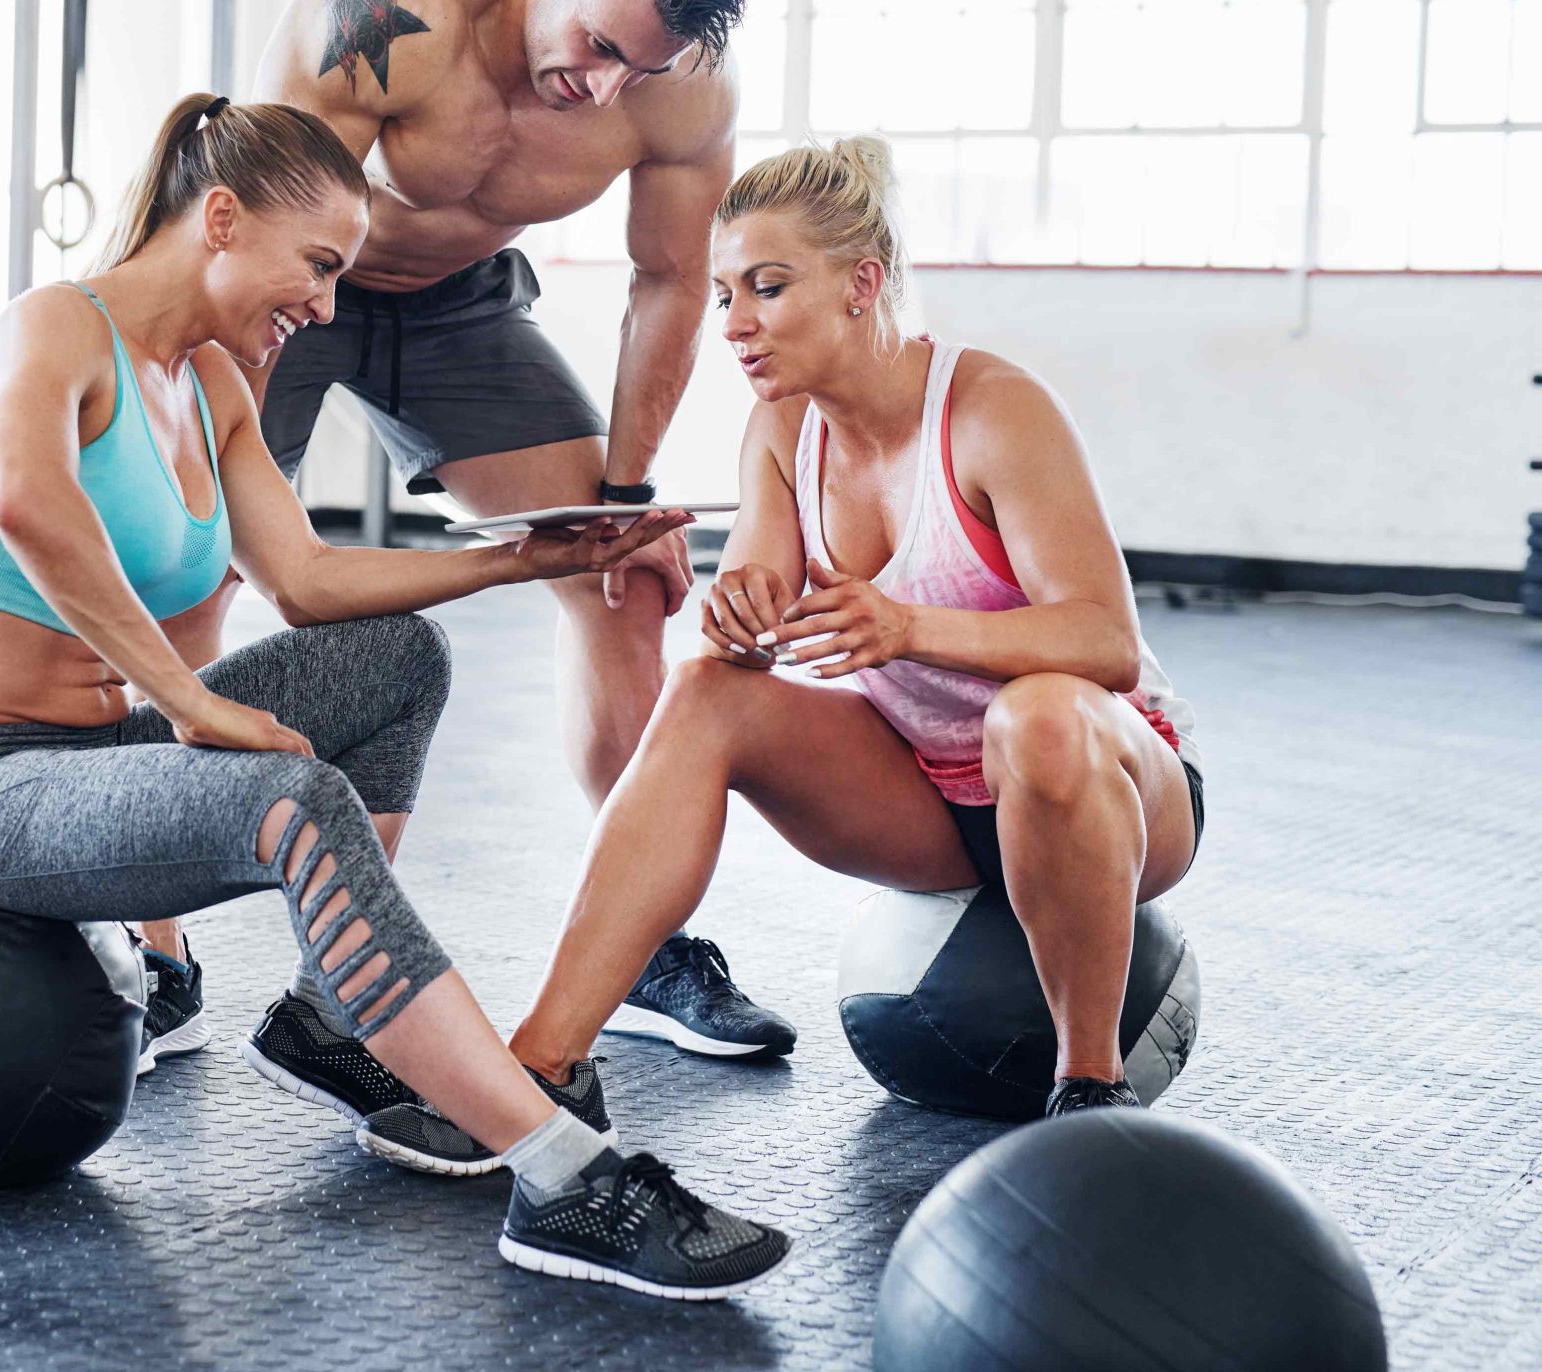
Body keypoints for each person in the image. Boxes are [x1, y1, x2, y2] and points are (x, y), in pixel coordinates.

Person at [0, 91, 790, 1299]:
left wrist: (528, 557)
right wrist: (190, 703)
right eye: (316, 265)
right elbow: (28, 504)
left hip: (93, 763)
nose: (324, 304)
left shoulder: (210, 383)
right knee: (296, 802)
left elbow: (305, 580)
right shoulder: (52, 330)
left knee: (398, 657)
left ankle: (326, 1018)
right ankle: (566, 1175)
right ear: (220, 218)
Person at [379, 137, 1204, 1159]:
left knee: (1036, 712)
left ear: (862, 284)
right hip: (933, 797)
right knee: (703, 692)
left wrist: (908, 626)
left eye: (767, 289)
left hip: (1110, 787)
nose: (733, 323)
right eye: (725, 294)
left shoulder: (993, 410)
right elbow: (753, 601)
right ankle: (538, 1076)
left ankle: (1089, 1088)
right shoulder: (781, 429)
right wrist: (738, 617)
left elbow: (1103, 642)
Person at [143, 0, 797, 1069]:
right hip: (296, 289)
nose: (606, 88)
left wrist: (624, 499)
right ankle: (157, 960)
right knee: (188, 569)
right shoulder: (386, 6)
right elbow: (276, 221)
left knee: (623, 578)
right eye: (597, 47)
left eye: (638, 70)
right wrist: (215, 446)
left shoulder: (684, 86)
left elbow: (667, 281)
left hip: (461, 309)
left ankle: (645, 950)